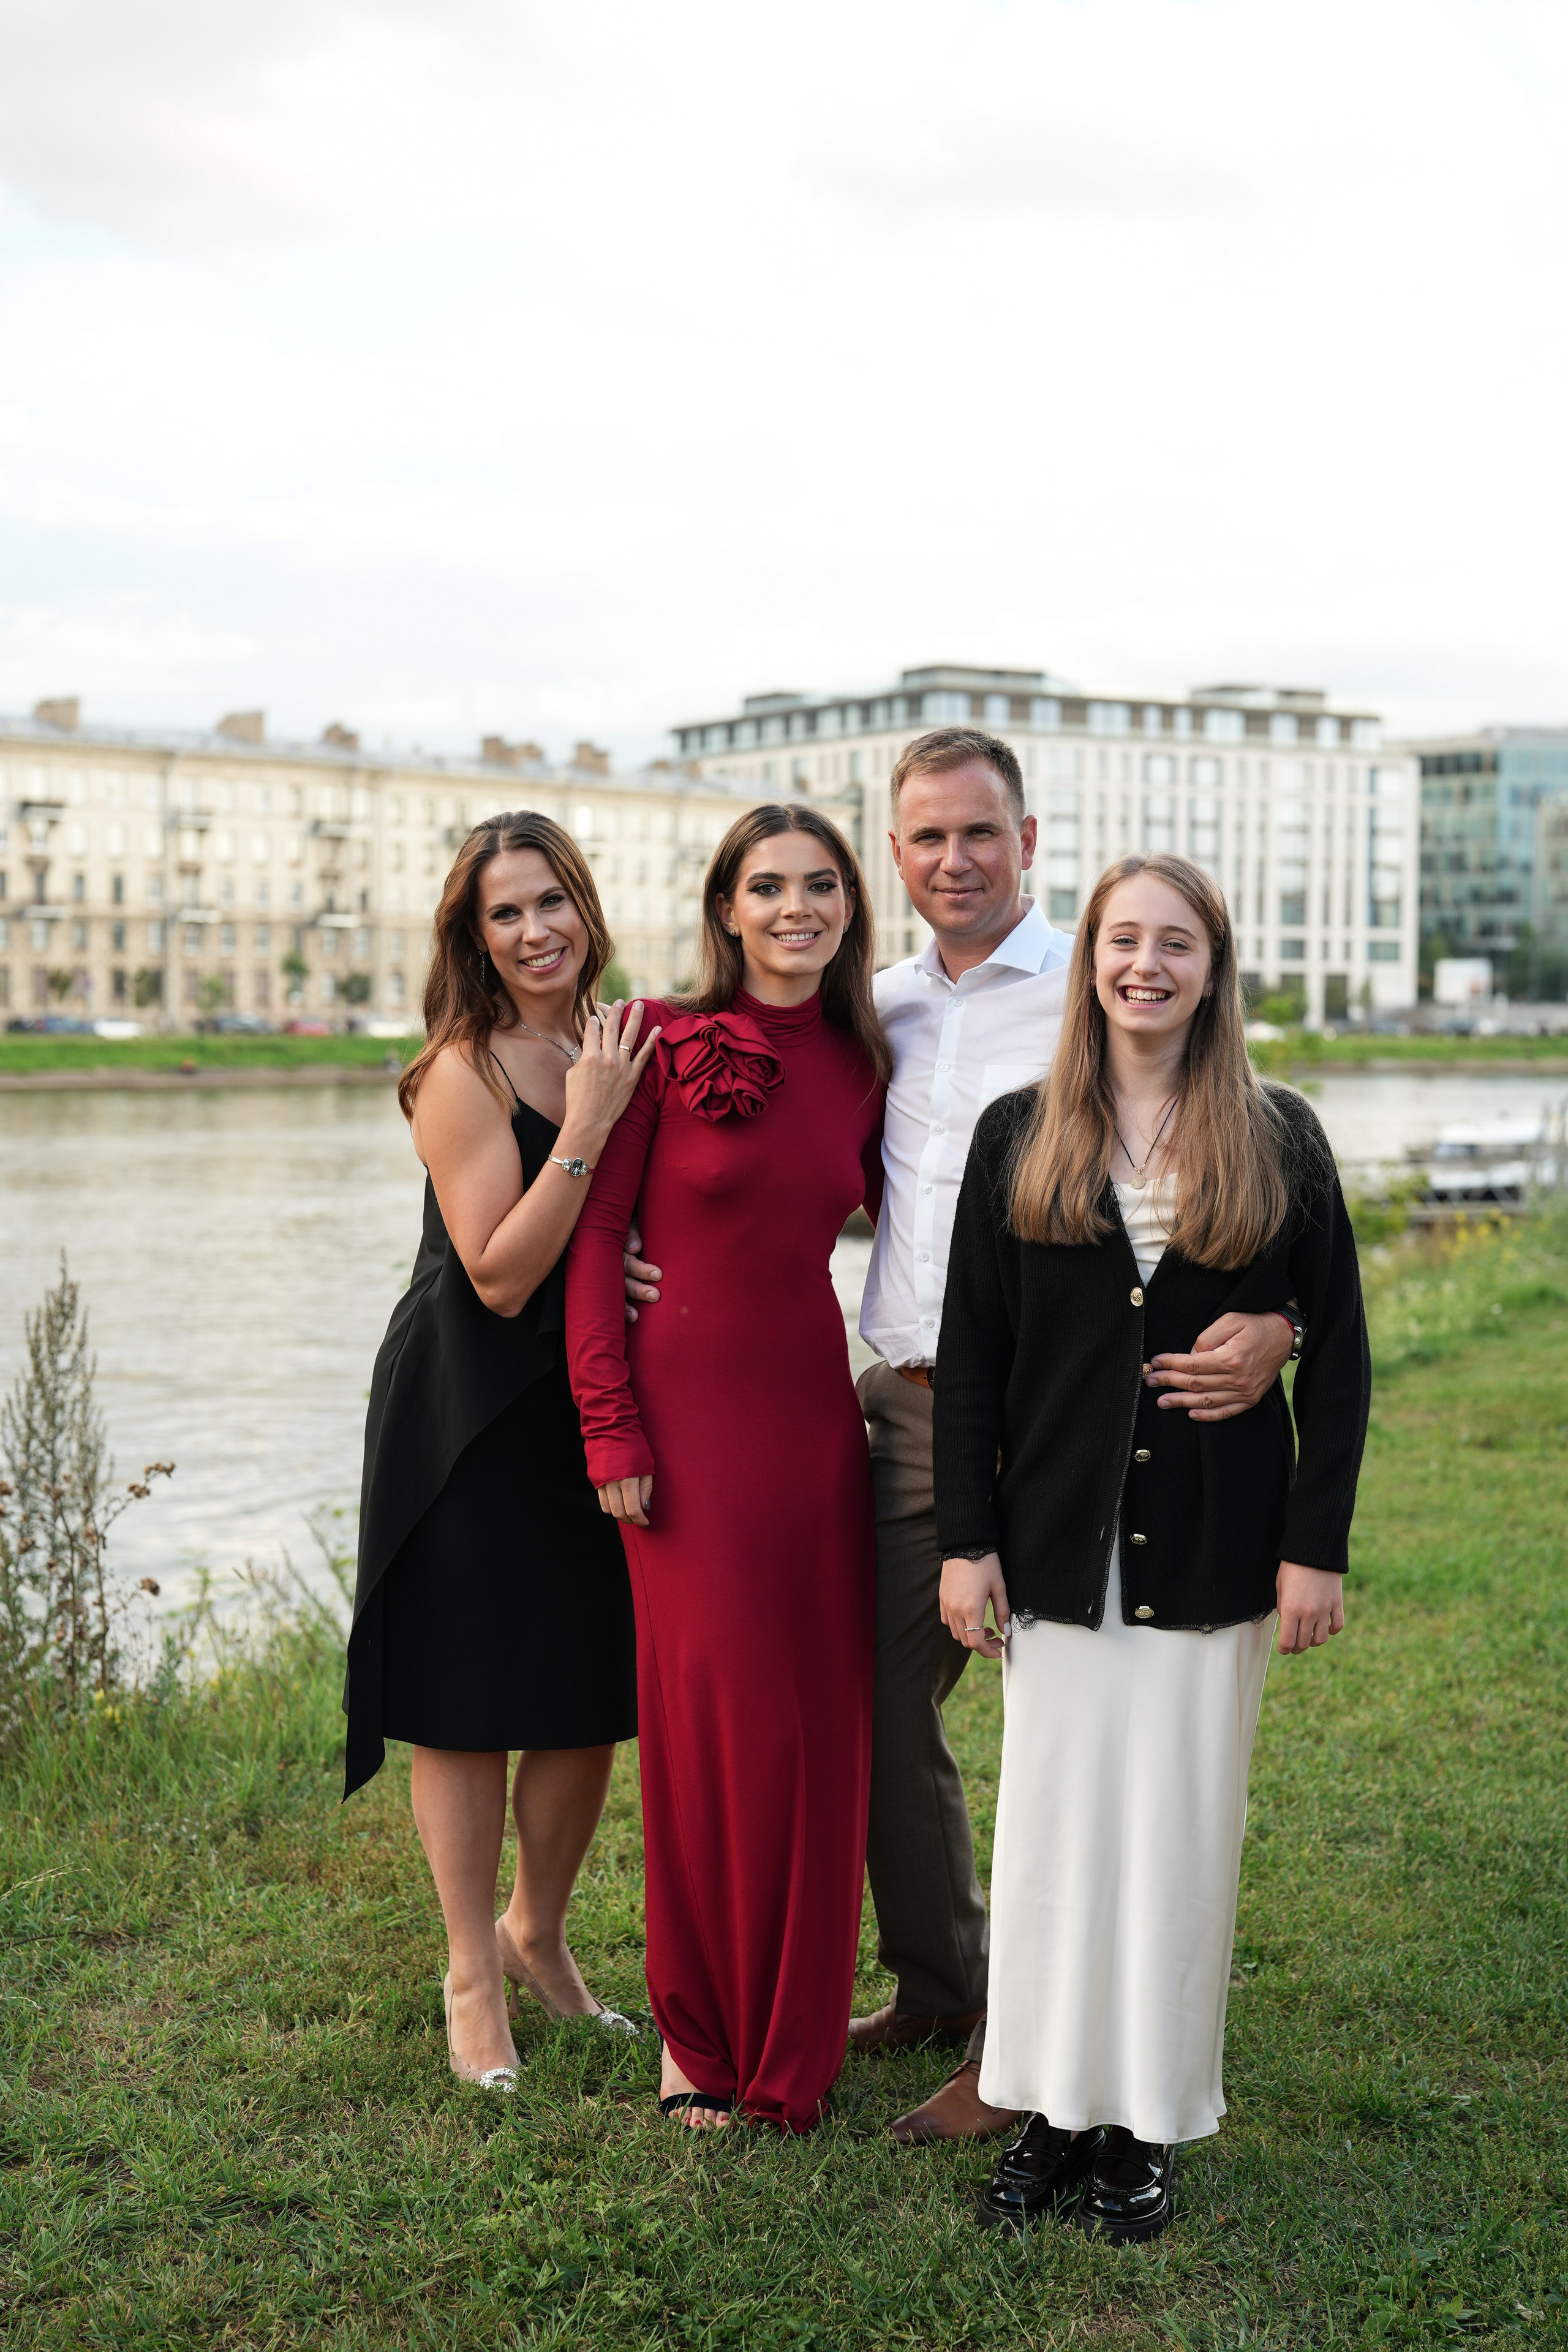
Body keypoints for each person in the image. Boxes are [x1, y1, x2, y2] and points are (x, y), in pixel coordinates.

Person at [841, 728, 1298, 2149]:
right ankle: (955, 1989)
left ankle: (1034, 2063)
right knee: (868, 1704)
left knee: (1098, 1744)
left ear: (1026, 842)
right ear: (897, 852)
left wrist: (1277, 1322)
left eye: (978, 833)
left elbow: (1249, 1219)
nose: (952, 860)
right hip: (892, 1397)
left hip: (1062, 1425)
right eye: (923, 837)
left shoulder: (1102, 984)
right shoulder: (869, 1013)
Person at [934, 851, 1370, 2241]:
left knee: (1177, 1837)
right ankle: (1050, 2110)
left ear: (1211, 967)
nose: (1144, 965)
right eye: (1121, 940)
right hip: (1054, 1547)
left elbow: (1339, 1352)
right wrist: (964, 1543)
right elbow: (975, 1357)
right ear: (1088, 962)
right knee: (1054, 1841)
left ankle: (1145, 2125)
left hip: (1210, 1547)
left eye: (1173, 943)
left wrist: (1314, 1551)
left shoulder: (1277, 1133)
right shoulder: (1018, 1134)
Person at [565, 803, 888, 2135]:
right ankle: (695, 2039)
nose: (795, 907)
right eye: (768, 887)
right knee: (703, 1736)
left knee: (818, 1739)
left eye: (821, 885)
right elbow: (595, 1242)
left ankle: (794, 2045)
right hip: (681, 1432)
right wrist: (608, 1424)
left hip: (812, 1431)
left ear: (848, 909)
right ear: (725, 910)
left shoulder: (874, 1059)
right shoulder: (654, 1036)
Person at [345, 811, 660, 2092]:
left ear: (584, 907)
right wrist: (584, 1127)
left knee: (585, 1695)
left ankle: (541, 1932)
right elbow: (495, 1271)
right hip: (467, 1411)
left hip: (587, 1407)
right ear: (473, 937)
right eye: (504, 913)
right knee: (469, 1706)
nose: (535, 932)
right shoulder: (459, 1070)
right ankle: (470, 1969)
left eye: (550, 903)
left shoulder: (621, 1038)